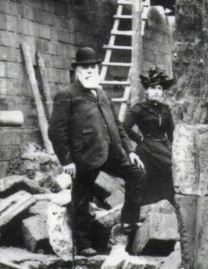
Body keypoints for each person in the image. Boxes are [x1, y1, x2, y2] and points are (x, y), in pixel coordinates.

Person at [48, 47, 145, 256]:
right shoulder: (67, 95)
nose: (90, 70)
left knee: (137, 173)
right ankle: (83, 244)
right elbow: (56, 131)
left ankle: (128, 222)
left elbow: (117, 125)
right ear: (77, 71)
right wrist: (67, 161)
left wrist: (130, 150)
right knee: (81, 196)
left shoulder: (102, 94)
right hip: (84, 157)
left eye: (93, 66)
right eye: (85, 67)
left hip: (111, 152)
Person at [123, 67, 176, 207]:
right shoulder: (139, 108)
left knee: (171, 169)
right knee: (151, 179)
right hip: (147, 147)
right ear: (146, 90)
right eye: (153, 88)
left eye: (159, 88)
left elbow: (171, 132)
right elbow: (124, 127)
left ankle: (169, 205)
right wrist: (139, 139)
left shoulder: (165, 109)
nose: (157, 91)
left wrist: (174, 148)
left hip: (163, 145)